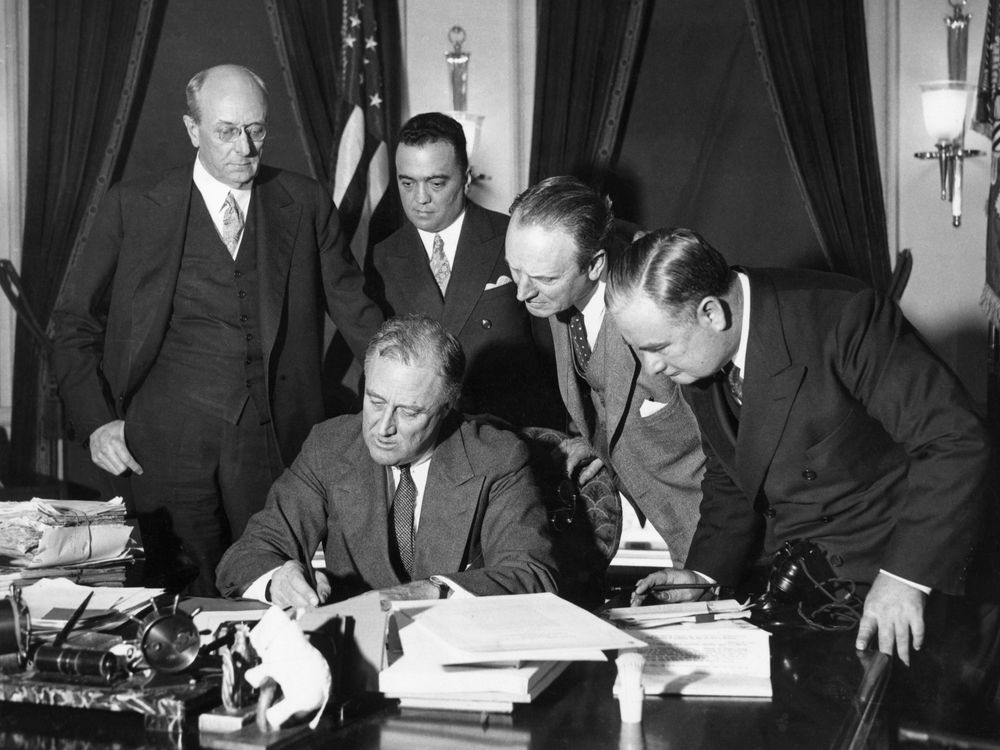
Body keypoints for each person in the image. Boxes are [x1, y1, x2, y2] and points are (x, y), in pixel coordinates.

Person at [51, 64, 383, 595]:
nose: (245, 147)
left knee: (277, 593)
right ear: (192, 131)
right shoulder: (133, 205)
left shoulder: (306, 201)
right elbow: (72, 323)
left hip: (276, 443)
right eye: (226, 131)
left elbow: (356, 311)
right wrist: (96, 422)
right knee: (181, 602)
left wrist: (413, 385)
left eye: (256, 129)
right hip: (163, 448)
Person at [605, 227, 990, 665]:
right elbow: (734, 471)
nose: (651, 366)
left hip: (901, 580)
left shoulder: (844, 317)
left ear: (711, 313)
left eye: (658, 347)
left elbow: (955, 440)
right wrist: (703, 574)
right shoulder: (697, 354)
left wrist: (906, 577)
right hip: (805, 589)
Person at [216, 315, 558, 606]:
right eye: (375, 401)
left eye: (408, 412)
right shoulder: (329, 446)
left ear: (446, 409)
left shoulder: (496, 457)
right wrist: (278, 578)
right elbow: (246, 555)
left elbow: (531, 573)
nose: (382, 427)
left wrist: (436, 590)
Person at [504, 177, 705, 565]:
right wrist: (594, 442)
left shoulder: (660, 294)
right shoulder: (552, 280)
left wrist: (710, 562)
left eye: (544, 280)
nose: (521, 292)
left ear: (595, 264)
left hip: (708, 532)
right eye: (515, 270)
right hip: (653, 530)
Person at [367, 112, 561, 428]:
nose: (420, 199)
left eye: (436, 182)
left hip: (513, 429)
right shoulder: (381, 256)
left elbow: (554, 354)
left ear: (466, 178)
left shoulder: (514, 236)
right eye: (407, 183)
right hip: (427, 435)